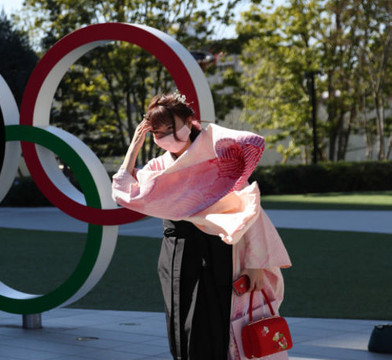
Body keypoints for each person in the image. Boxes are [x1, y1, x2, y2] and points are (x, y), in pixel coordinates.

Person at [112, 92, 292, 359]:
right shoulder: (158, 166)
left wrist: (255, 263)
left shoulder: (216, 160)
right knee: (179, 325)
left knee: (211, 328)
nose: (165, 137)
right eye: (158, 133)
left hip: (214, 252)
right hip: (174, 252)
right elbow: (123, 192)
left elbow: (249, 208)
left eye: (171, 128)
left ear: (188, 121)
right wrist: (134, 147)